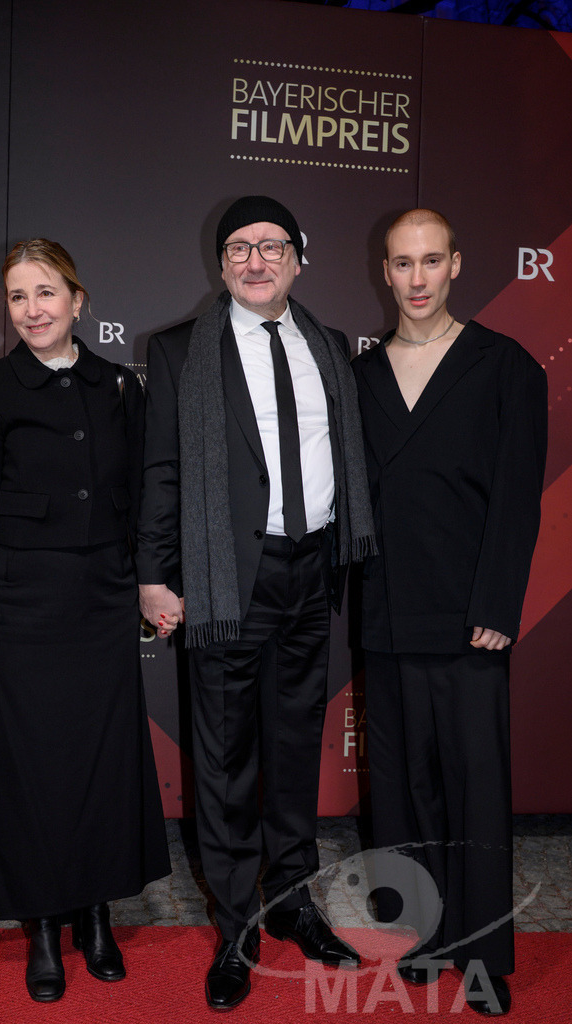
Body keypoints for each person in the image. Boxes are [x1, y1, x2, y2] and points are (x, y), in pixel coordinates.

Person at [137, 196, 376, 1010]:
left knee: (293, 747)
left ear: (298, 259)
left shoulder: (330, 348)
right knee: (227, 760)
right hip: (222, 578)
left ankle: (293, 904)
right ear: (221, 264)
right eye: (237, 247)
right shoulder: (177, 352)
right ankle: (235, 928)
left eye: (270, 245)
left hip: (310, 571)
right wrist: (154, 573)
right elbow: (162, 471)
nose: (254, 260)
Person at [0, 239, 170, 1003]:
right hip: (23, 600)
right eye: (16, 296)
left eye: (45, 293)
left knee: (102, 760)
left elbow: (139, 498)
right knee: (32, 766)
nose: (32, 309)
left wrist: (146, 583)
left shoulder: (117, 387)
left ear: (78, 299)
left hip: (102, 597)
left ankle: (96, 914)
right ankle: (40, 924)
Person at [352, 209, 547, 1016]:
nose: (418, 278)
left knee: (473, 788)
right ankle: (418, 938)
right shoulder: (359, 375)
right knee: (398, 789)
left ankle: (482, 954)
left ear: (457, 265)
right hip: (385, 611)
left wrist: (498, 603)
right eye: (403, 263)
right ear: (385, 272)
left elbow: (516, 499)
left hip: (471, 617)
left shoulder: (506, 367)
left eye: (432, 261)